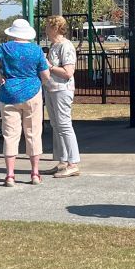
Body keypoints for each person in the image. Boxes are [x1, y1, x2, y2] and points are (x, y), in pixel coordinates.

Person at [0, 18, 50, 187]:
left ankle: (10, 175)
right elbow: (46, 74)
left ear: (12, 33)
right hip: (32, 93)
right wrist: (41, 84)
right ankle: (34, 173)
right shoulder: (36, 50)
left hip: (8, 93)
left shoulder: (5, 48)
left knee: (10, 135)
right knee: (33, 133)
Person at [42, 15, 81, 177]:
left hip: (62, 89)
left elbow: (68, 72)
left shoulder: (66, 46)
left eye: (47, 26)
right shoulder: (54, 46)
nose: (45, 29)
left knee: (64, 125)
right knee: (56, 125)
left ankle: (73, 163)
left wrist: (49, 66)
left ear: (55, 28)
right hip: (51, 89)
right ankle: (63, 161)